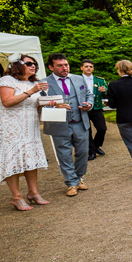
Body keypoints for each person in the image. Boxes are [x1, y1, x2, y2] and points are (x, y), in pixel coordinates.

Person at [0, 54, 50, 210]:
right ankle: (16, 197)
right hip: (11, 125)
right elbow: (7, 102)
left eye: (34, 64)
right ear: (17, 65)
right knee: (12, 158)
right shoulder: (6, 80)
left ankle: (33, 192)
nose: (33, 66)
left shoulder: (34, 83)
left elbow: (34, 105)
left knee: (30, 157)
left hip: (30, 125)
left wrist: (52, 103)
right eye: (29, 63)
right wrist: (32, 91)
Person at [43, 53, 94, 197]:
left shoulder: (78, 78)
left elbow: (89, 94)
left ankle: (79, 178)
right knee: (64, 155)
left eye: (66, 64)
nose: (64, 68)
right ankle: (71, 183)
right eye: (60, 65)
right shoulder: (44, 83)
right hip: (58, 125)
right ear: (51, 67)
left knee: (83, 153)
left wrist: (89, 104)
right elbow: (39, 104)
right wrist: (52, 106)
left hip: (80, 123)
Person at [80, 59, 107, 160]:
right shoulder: (77, 79)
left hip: (96, 107)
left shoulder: (99, 80)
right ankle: (92, 152)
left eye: (91, 67)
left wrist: (104, 90)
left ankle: (96, 146)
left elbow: (107, 91)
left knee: (102, 129)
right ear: (81, 68)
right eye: (86, 66)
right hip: (83, 108)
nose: (89, 68)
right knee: (87, 131)